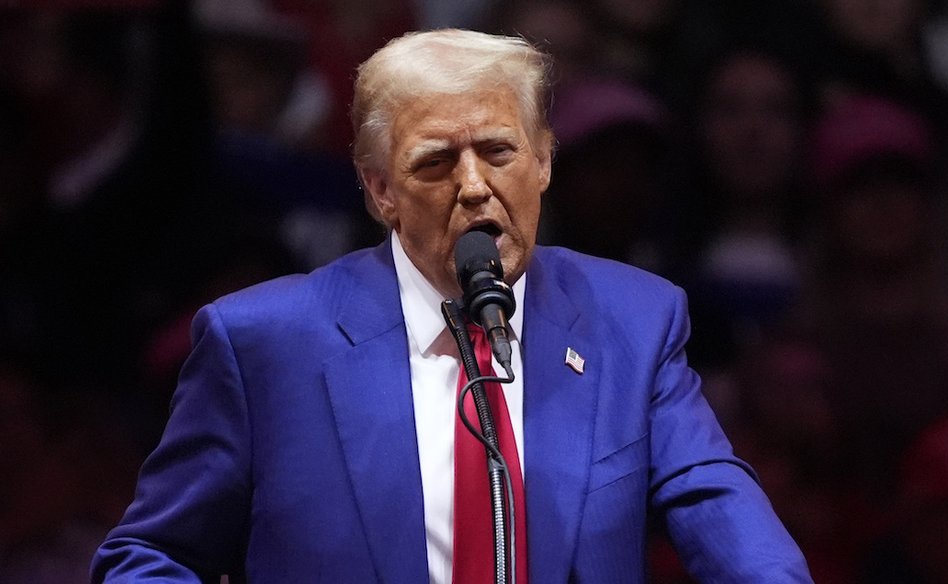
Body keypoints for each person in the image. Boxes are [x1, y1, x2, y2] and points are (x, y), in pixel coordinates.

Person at [91, 29, 811, 583]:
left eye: (499, 153)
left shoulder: (633, 321)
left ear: (544, 161)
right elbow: (149, 554)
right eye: (435, 161)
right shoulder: (264, 343)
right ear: (380, 191)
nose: (473, 186)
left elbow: (714, 502)